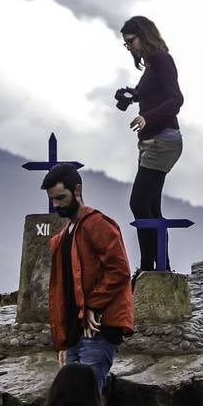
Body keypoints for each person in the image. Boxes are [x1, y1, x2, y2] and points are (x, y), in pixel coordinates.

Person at [40, 164, 135, 391]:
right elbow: (61, 291)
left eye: (61, 198)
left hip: (97, 331)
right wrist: (62, 341)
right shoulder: (61, 238)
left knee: (86, 398)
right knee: (73, 399)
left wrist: (94, 304)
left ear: (78, 190)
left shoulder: (98, 224)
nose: (56, 205)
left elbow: (119, 270)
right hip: (74, 333)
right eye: (52, 200)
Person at [117, 16, 184, 278]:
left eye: (130, 41)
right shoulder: (153, 65)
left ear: (144, 36)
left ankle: (148, 267)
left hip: (163, 140)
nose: (129, 47)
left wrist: (148, 117)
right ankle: (160, 268)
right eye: (126, 44)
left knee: (139, 202)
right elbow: (155, 93)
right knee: (151, 206)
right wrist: (133, 95)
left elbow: (175, 99)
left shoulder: (162, 60)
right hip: (151, 141)